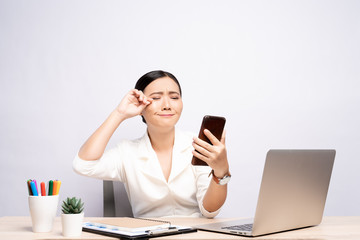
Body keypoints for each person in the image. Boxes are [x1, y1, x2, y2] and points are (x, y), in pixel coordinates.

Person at [73, 70, 231, 218]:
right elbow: (83, 165)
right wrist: (119, 114)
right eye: (156, 98)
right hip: (148, 234)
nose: (167, 105)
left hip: (193, 234)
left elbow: (209, 210)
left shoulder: (197, 146)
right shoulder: (127, 152)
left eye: (174, 97)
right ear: (140, 106)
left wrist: (221, 171)